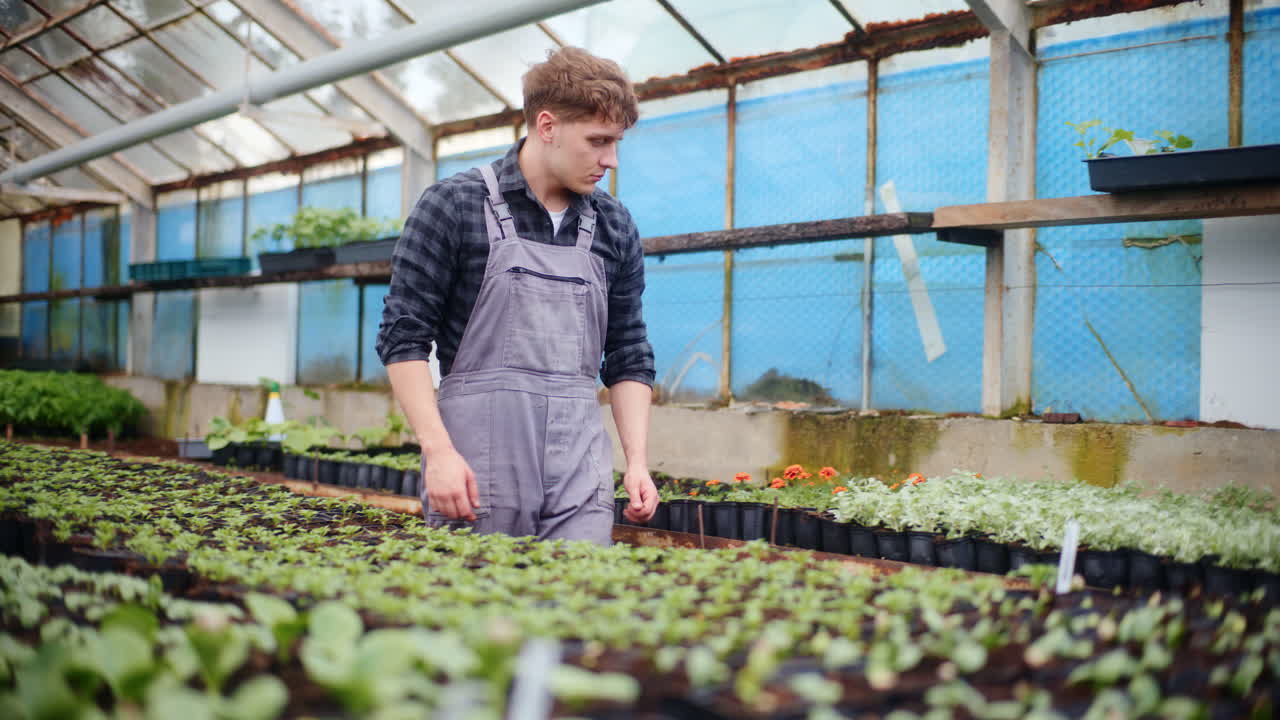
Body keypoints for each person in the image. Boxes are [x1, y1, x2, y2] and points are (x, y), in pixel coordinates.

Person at [376, 47, 658, 546]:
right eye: (597, 141)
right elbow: (404, 337)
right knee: (479, 589)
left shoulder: (613, 225)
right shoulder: (454, 205)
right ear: (547, 126)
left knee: (583, 588)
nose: (610, 160)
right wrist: (438, 452)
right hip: (479, 464)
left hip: (578, 465)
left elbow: (628, 350)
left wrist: (637, 462)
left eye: (615, 143)